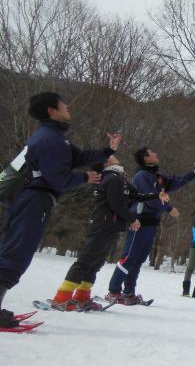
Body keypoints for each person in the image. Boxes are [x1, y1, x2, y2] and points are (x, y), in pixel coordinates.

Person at [0, 92, 121, 328]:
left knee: (14, 250)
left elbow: (79, 157)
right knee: (16, 253)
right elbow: (58, 178)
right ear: (51, 111)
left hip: (33, 200)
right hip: (32, 201)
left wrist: (107, 151)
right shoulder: (49, 139)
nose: (68, 106)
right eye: (63, 104)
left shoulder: (55, 137)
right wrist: (85, 177)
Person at [50, 155, 168, 311]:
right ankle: (62, 297)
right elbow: (116, 204)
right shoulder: (111, 178)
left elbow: (136, 195)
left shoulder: (120, 178)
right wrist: (132, 219)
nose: (115, 157)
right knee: (86, 260)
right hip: (102, 224)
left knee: (96, 263)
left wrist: (156, 195)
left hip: (111, 226)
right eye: (111, 156)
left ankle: (82, 296)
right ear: (106, 163)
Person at [105, 147, 195, 305]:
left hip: (151, 223)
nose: (156, 154)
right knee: (129, 257)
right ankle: (113, 291)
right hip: (138, 222)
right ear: (146, 158)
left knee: (139, 260)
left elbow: (175, 182)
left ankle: (129, 293)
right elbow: (150, 198)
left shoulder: (157, 176)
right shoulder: (142, 176)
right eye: (153, 153)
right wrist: (169, 208)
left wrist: (193, 173)